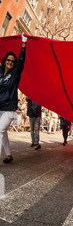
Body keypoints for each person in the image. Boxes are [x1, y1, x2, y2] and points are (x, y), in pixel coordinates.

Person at [0, 34, 27, 163]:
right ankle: (9, 156)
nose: (10, 62)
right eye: (8, 60)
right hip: (0, 108)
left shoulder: (14, 75)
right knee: (3, 132)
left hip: (9, 109)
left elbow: (21, 61)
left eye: (12, 61)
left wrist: (23, 44)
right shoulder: (0, 73)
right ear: (4, 61)